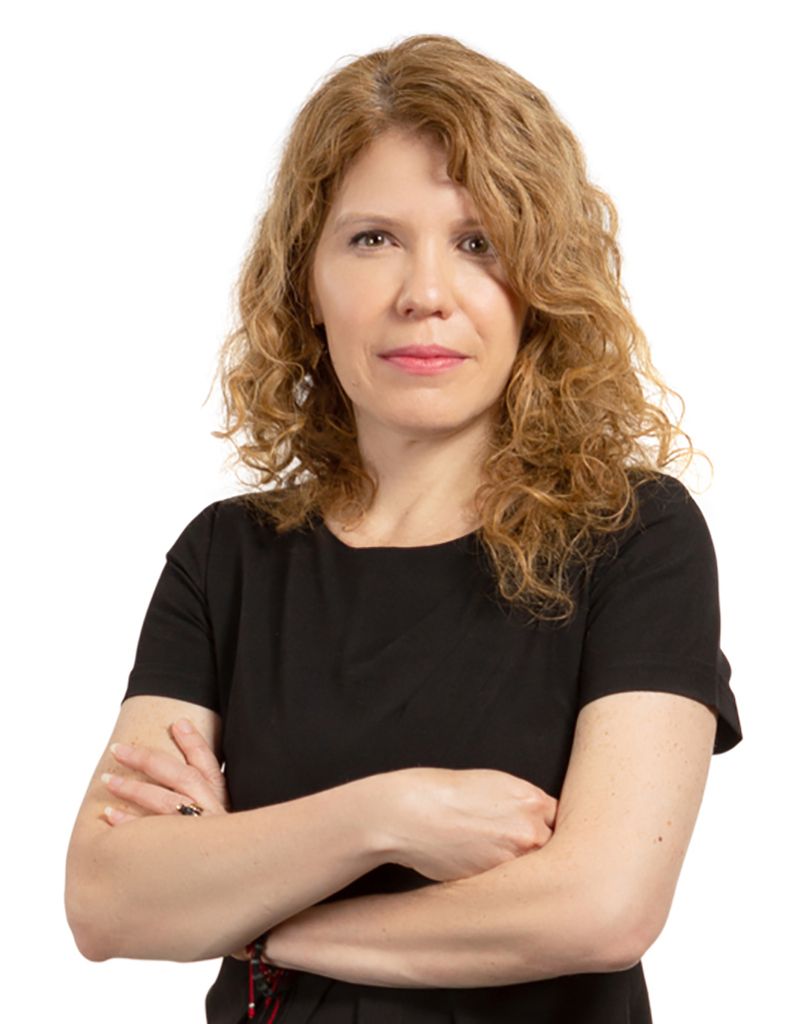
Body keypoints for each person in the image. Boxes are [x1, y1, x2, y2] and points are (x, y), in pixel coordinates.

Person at [65, 32, 742, 1024]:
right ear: (308, 280)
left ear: (539, 283)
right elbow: (105, 898)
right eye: (373, 238)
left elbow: (600, 906)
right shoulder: (227, 560)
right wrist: (391, 813)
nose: (425, 292)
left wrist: (254, 922)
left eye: (479, 243)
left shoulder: (632, 536)